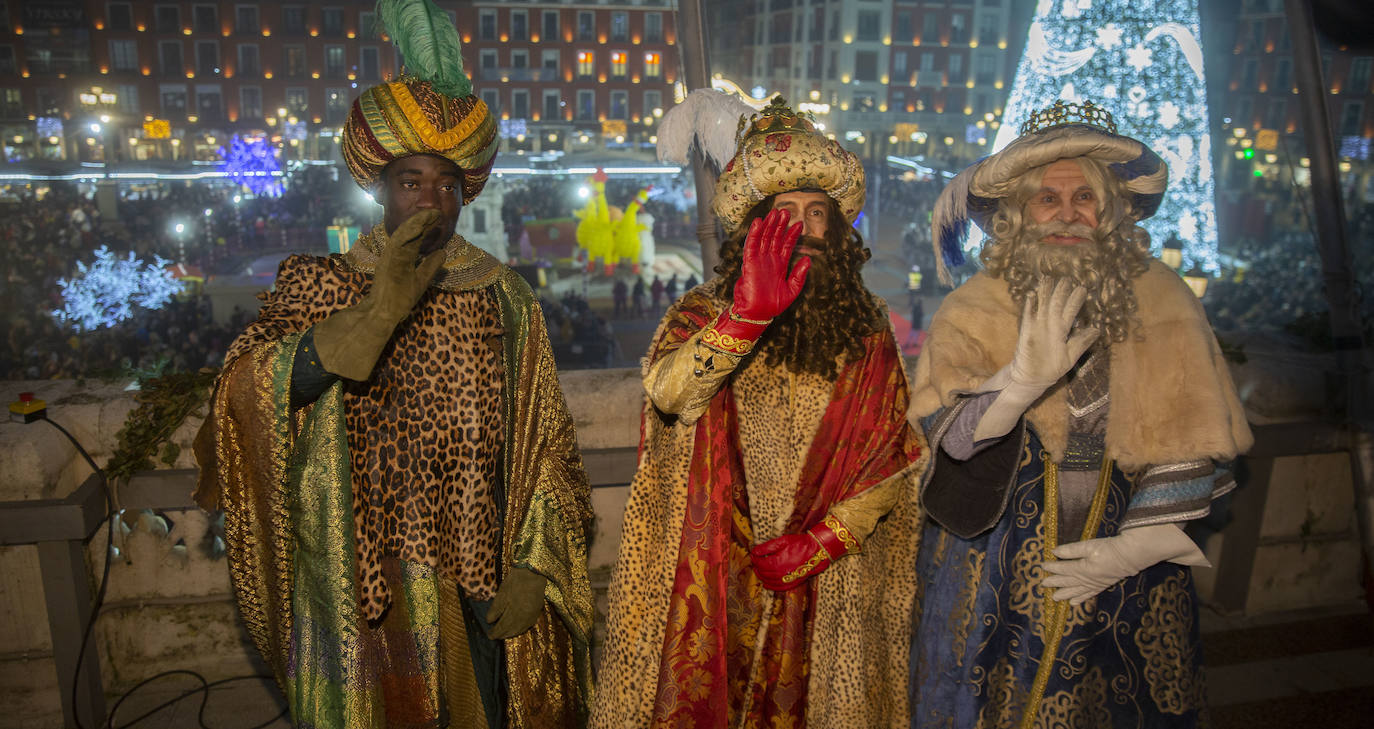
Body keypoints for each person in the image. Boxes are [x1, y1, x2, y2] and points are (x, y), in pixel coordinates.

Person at [193, 4, 593, 726]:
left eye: (447, 183)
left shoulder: (504, 296)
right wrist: (370, 318)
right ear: (378, 184)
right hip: (361, 579)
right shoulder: (320, 284)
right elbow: (244, 392)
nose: (432, 200)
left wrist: (535, 563)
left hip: (478, 569)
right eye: (412, 180)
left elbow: (549, 441)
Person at [908, 100, 1252, 728]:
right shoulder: (972, 305)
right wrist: (1015, 387)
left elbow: (1194, 426)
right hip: (1001, 555)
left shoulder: (1164, 296)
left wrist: (1141, 545)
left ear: (1111, 212)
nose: (1067, 213)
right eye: (1047, 198)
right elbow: (943, 438)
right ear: (1017, 214)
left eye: (1085, 197)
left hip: (1132, 556)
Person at [593, 97, 928, 729]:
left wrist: (826, 539)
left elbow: (892, 448)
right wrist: (747, 315)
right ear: (754, 229)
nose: (802, 227)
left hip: (829, 571)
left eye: (817, 213)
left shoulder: (866, 327)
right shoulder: (703, 310)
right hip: (718, 559)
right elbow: (669, 393)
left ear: (837, 228)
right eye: (784, 214)